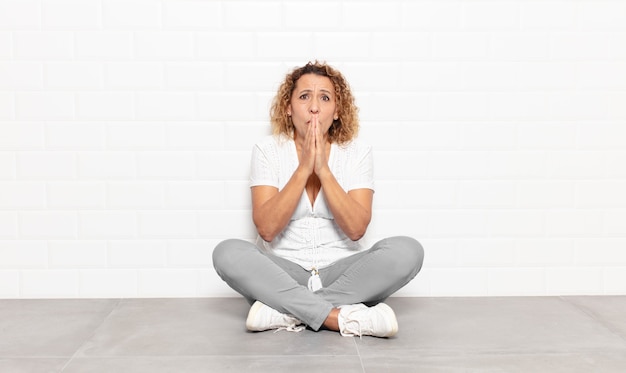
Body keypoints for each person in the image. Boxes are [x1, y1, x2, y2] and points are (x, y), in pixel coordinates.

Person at [213, 61, 424, 338]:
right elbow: (266, 228)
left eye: (324, 98)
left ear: (336, 111)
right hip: (284, 271)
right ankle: (341, 317)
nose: (314, 107)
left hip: (343, 273)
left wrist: (323, 169)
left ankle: (286, 311)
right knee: (227, 253)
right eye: (304, 97)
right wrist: (303, 170)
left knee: (408, 251)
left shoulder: (357, 152)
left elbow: (357, 228)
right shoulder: (267, 151)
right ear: (288, 108)